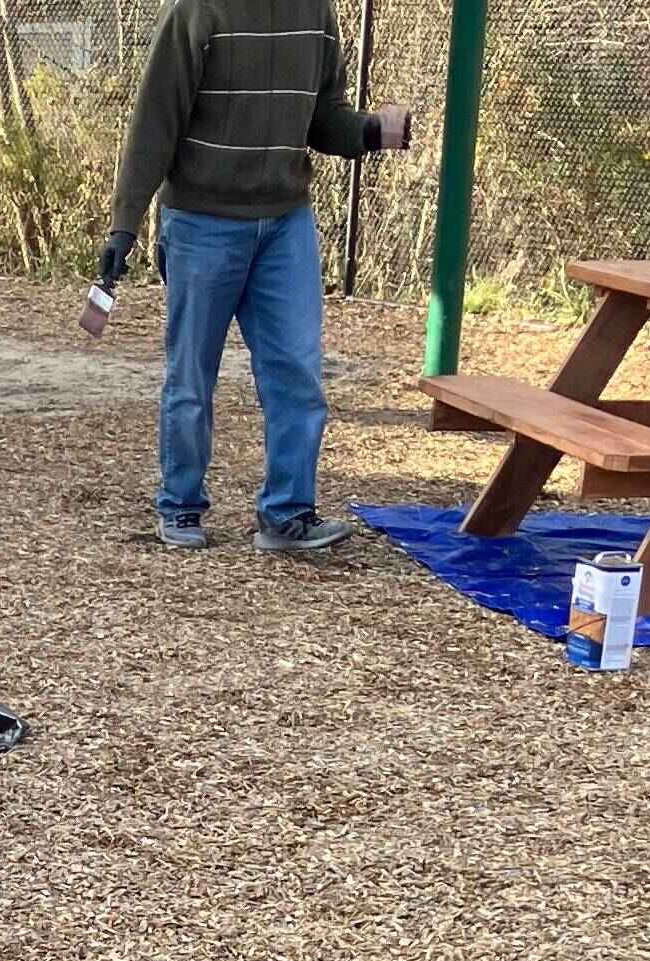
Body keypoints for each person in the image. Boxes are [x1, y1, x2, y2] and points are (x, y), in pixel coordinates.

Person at [100, 0, 411, 554]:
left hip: (286, 219)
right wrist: (125, 223)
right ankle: (181, 504)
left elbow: (323, 119)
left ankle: (287, 514)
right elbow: (154, 123)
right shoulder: (199, 14)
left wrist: (368, 131)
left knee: (297, 368)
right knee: (193, 372)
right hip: (202, 220)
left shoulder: (316, 14)